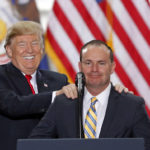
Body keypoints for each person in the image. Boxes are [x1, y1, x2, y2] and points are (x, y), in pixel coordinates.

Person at [30, 40, 150, 150]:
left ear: (112, 67)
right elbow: (33, 144)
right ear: (80, 67)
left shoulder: (132, 105)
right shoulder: (62, 103)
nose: (94, 69)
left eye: (101, 63)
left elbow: (146, 146)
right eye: (88, 63)